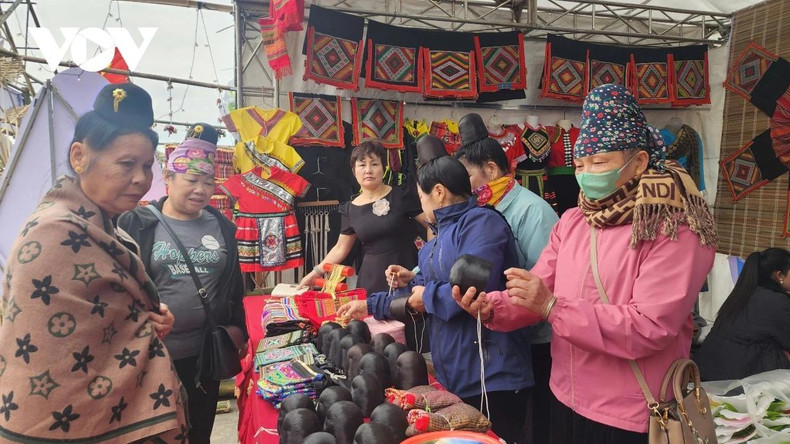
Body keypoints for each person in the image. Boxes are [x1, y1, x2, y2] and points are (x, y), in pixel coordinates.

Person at [454, 84, 717, 443]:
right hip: (565, 397)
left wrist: (552, 307)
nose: (587, 173)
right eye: (580, 164)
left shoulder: (671, 225)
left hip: (632, 414)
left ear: (638, 162)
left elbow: (650, 325)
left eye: (599, 162)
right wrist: (492, 307)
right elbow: (539, 286)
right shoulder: (575, 221)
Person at [0, 83, 188, 442]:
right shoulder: (53, 233)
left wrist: (150, 316)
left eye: (148, 165)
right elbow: (51, 346)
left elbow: (109, 313)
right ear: (79, 156)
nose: (141, 179)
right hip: (62, 422)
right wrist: (138, 327)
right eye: (127, 164)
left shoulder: (109, 229)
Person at [341, 149, 534, 444]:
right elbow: (414, 290)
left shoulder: (483, 223)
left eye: (422, 198)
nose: (422, 204)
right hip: (455, 372)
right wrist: (368, 304)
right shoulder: (434, 243)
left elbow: (469, 289)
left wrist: (424, 296)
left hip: (492, 372)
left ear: (440, 192)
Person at [118, 123, 247, 443]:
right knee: (156, 433)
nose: (201, 189)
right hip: (150, 357)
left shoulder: (223, 227)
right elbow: (116, 287)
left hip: (203, 358)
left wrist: (239, 329)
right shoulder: (136, 224)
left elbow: (234, 288)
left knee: (199, 431)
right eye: (191, 180)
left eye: (207, 181)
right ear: (170, 178)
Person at [455, 119, 558, 444]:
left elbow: (547, 278)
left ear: (491, 169)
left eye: (469, 176)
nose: (467, 186)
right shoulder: (482, 210)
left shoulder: (533, 212)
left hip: (537, 337)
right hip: (498, 331)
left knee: (537, 419)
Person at [298, 141, 426, 294]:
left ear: (384, 168)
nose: (368, 170)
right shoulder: (350, 209)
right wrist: (314, 273)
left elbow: (431, 225)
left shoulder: (401, 196)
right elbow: (340, 249)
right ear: (354, 171)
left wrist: (427, 263)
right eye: (362, 165)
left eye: (374, 164)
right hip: (372, 278)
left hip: (407, 272)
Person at [694, 248, 790, 381]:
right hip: (737, 376)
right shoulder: (777, 301)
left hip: (707, 368)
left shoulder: (744, 292)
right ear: (779, 275)